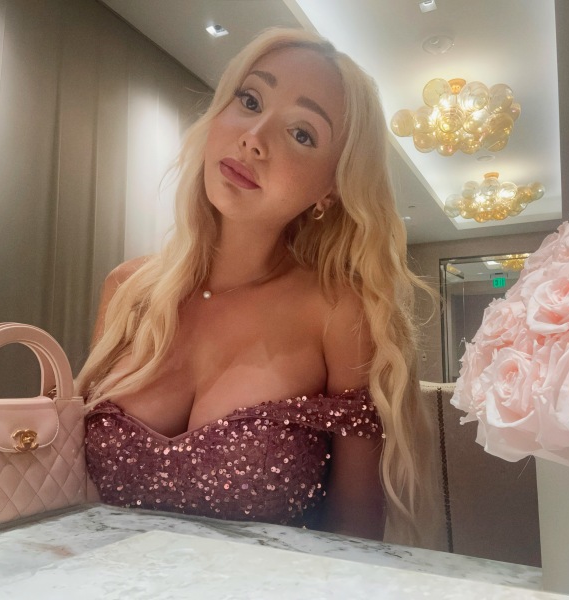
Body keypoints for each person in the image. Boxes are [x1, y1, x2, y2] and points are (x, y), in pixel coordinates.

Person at [77, 27, 438, 547]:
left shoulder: (338, 313)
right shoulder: (129, 290)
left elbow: (355, 533)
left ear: (331, 188)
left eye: (302, 133)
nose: (254, 138)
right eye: (249, 101)